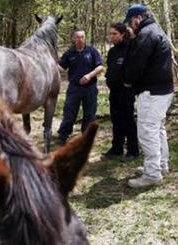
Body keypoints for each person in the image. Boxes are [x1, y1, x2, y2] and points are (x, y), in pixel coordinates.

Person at [123, 4, 174, 188]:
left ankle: (152, 174)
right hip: (162, 90)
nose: (130, 26)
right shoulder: (155, 30)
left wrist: (128, 80)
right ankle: (160, 164)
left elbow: (137, 64)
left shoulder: (146, 34)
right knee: (157, 129)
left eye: (130, 22)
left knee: (147, 131)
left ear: (137, 18)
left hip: (152, 92)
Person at [56, 30, 104, 145]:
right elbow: (61, 67)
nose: (80, 39)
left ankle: (86, 137)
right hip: (74, 88)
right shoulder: (69, 53)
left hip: (90, 88)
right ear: (74, 39)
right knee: (69, 113)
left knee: (89, 114)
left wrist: (89, 75)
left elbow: (100, 67)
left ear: (85, 38)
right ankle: (63, 135)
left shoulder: (92, 51)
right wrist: (52, 62)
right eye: (77, 37)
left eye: (82, 37)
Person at [103, 22, 139, 160]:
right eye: (110, 33)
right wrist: (108, 79)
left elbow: (133, 69)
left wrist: (128, 83)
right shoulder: (112, 51)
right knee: (116, 119)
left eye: (114, 34)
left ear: (123, 34)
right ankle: (117, 148)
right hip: (114, 91)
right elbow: (110, 69)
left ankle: (132, 151)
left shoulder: (130, 48)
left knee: (128, 120)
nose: (111, 36)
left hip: (126, 91)